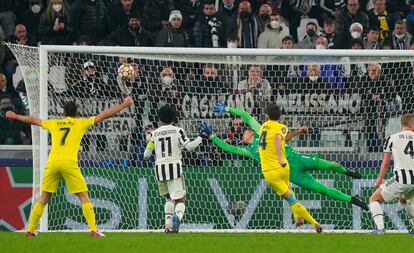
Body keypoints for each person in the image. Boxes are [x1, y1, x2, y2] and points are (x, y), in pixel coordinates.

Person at [201, 103, 368, 213]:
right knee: (321, 190)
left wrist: (227, 109)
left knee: (330, 165)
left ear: (251, 132)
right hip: (290, 173)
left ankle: (347, 171)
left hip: (296, 159)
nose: (242, 134)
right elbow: (229, 148)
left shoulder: (262, 129)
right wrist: (213, 137)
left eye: (243, 131)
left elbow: (245, 115)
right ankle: (353, 200)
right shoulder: (250, 151)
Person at [5, 96, 134, 237]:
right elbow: (103, 115)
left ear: (63, 113)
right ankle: (93, 230)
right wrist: (124, 105)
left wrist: (15, 115)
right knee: (83, 196)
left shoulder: (54, 123)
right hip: (69, 163)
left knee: (44, 197)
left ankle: (30, 230)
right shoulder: (80, 123)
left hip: (52, 162)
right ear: (77, 113)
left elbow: (34, 121)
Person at [143, 104, 203, 233]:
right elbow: (190, 147)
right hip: (174, 167)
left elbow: (146, 155)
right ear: (174, 117)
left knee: (169, 198)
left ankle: (167, 226)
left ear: (159, 118)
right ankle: (178, 217)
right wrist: (201, 138)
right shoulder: (178, 131)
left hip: (159, 169)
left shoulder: (155, 133)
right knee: (180, 199)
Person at [369, 114, 414, 234]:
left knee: (373, 199)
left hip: (401, 179)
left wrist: (379, 180)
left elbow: (385, 163)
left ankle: (380, 228)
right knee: (404, 199)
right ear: (411, 124)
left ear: (402, 124)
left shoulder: (392, 138)